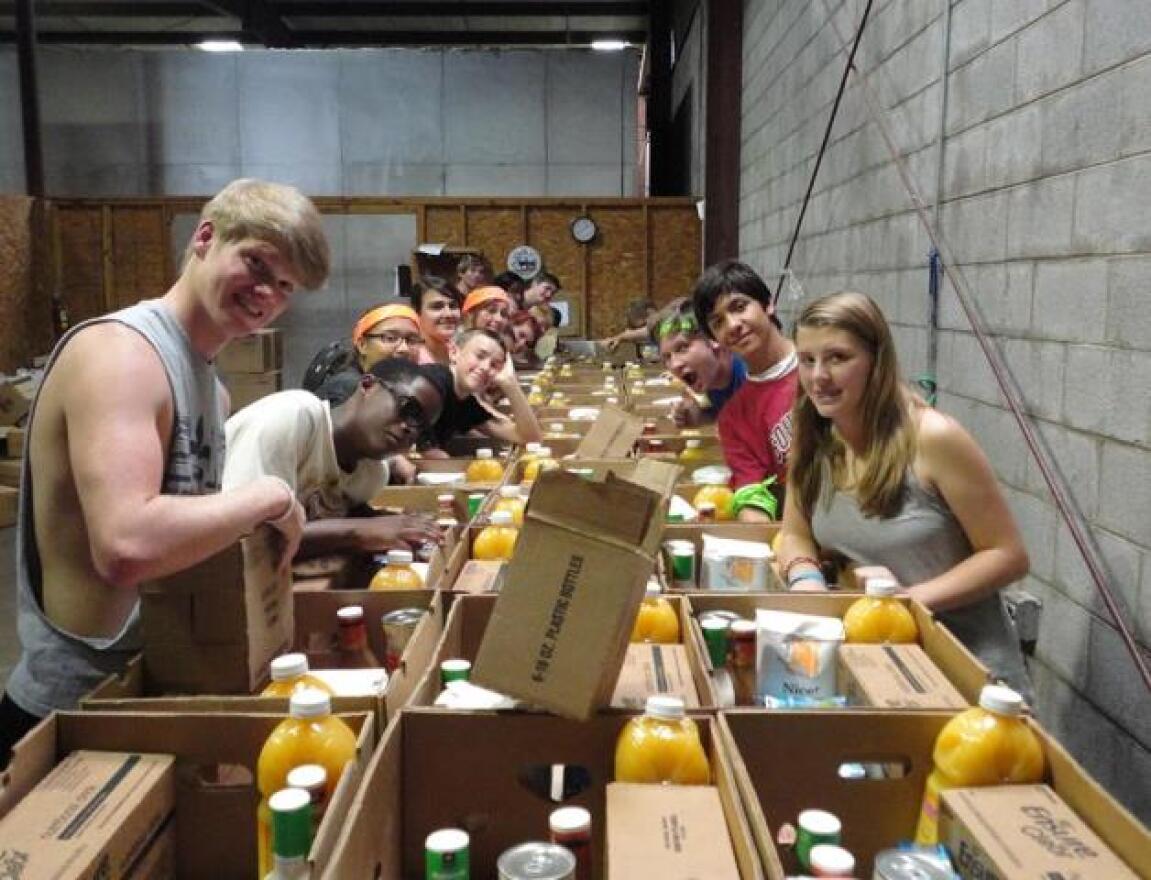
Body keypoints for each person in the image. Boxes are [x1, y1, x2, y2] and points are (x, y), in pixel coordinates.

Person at [1, 178, 330, 762]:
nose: (267, 294)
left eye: (284, 286)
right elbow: (126, 545)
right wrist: (271, 495)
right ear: (205, 237)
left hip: (142, 692)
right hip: (67, 717)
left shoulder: (212, 388)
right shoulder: (123, 356)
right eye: (256, 264)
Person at [776, 292, 1032, 696]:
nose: (818, 376)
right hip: (881, 662)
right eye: (807, 360)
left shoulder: (933, 438)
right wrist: (805, 578)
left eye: (838, 358)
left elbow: (1008, 556)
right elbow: (794, 532)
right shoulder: (815, 438)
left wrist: (905, 602)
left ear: (877, 362)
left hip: (965, 673)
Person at [222, 358, 444, 558]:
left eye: (422, 429)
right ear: (368, 385)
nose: (409, 429)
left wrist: (399, 528)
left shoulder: (370, 475)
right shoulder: (295, 415)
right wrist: (359, 531)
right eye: (409, 409)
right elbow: (241, 538)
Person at [692, 260, 797, 521]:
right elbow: (752, 494)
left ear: (768, 304)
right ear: (715, 339)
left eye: (739, 307)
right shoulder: (734, 418)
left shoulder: (820, 365)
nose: (733, 325)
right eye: (718, 322)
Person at [422, 328, 542, 451]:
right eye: (480, 356)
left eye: (494, 365)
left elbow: (530, 438)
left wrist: (510, 383)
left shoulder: (466, 402)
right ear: (454, 352)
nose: (485, 367)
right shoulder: (433, 381)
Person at [648, 297, 746, 427]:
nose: (674, 365)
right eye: (667, 357)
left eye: (682, 348)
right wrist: (699, 416)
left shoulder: (752, 377)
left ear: (714, 339)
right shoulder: (710, 377)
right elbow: (727, 414)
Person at [351, 302, 423, 369]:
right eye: (390, 338)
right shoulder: (352, 382)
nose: (404, 349)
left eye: (412, 340)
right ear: (362, 345)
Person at [413, 276, 462, 366]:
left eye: (453, 306)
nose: (448, 314)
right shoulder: (412, 358)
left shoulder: (460, 352)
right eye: (437, 307)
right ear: (417, 313)